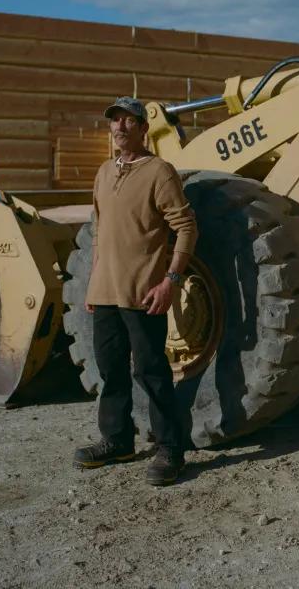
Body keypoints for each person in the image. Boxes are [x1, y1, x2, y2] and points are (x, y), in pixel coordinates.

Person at [73, 96, 198, 486]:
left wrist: (171, 282)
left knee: (152, 373)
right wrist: (93, 282)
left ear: (145, 129)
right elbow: (99, 230)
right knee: (111, 372)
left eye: (129, 121)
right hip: (105, 293)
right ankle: (117, 441)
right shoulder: (104, 172)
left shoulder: (160, 171)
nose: (120, 127)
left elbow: (186, 228)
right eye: (115, 122)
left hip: (144, 293)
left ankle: (171, 449)